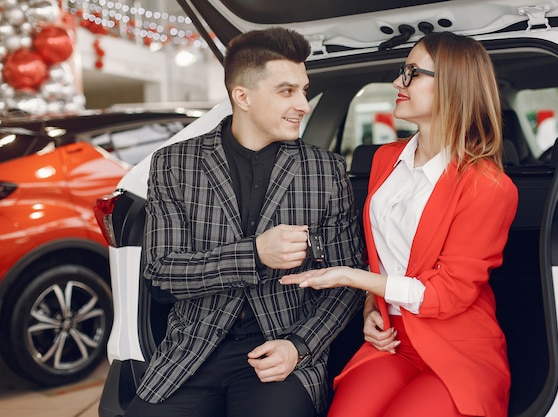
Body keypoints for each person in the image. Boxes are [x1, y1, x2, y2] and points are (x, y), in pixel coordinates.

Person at [123, 27, 366, 417]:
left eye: (304, 90)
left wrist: (300, 346)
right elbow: (161, 272)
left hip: (281, 349)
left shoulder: (325, 170)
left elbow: (349, 280)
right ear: (242, 96)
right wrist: (254, 254)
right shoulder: (173, 163)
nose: (303, 104)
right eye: (287, 91)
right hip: (192, 350)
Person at [280, 31, 519, 417]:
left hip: (456, 349)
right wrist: (371, 306)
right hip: (390, 340)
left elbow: (447, 295)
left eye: (411, 73)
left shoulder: (488, 187)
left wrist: (352, 278)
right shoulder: (384, 159)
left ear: (453, 86)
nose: (396, 82)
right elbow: (387, 257)